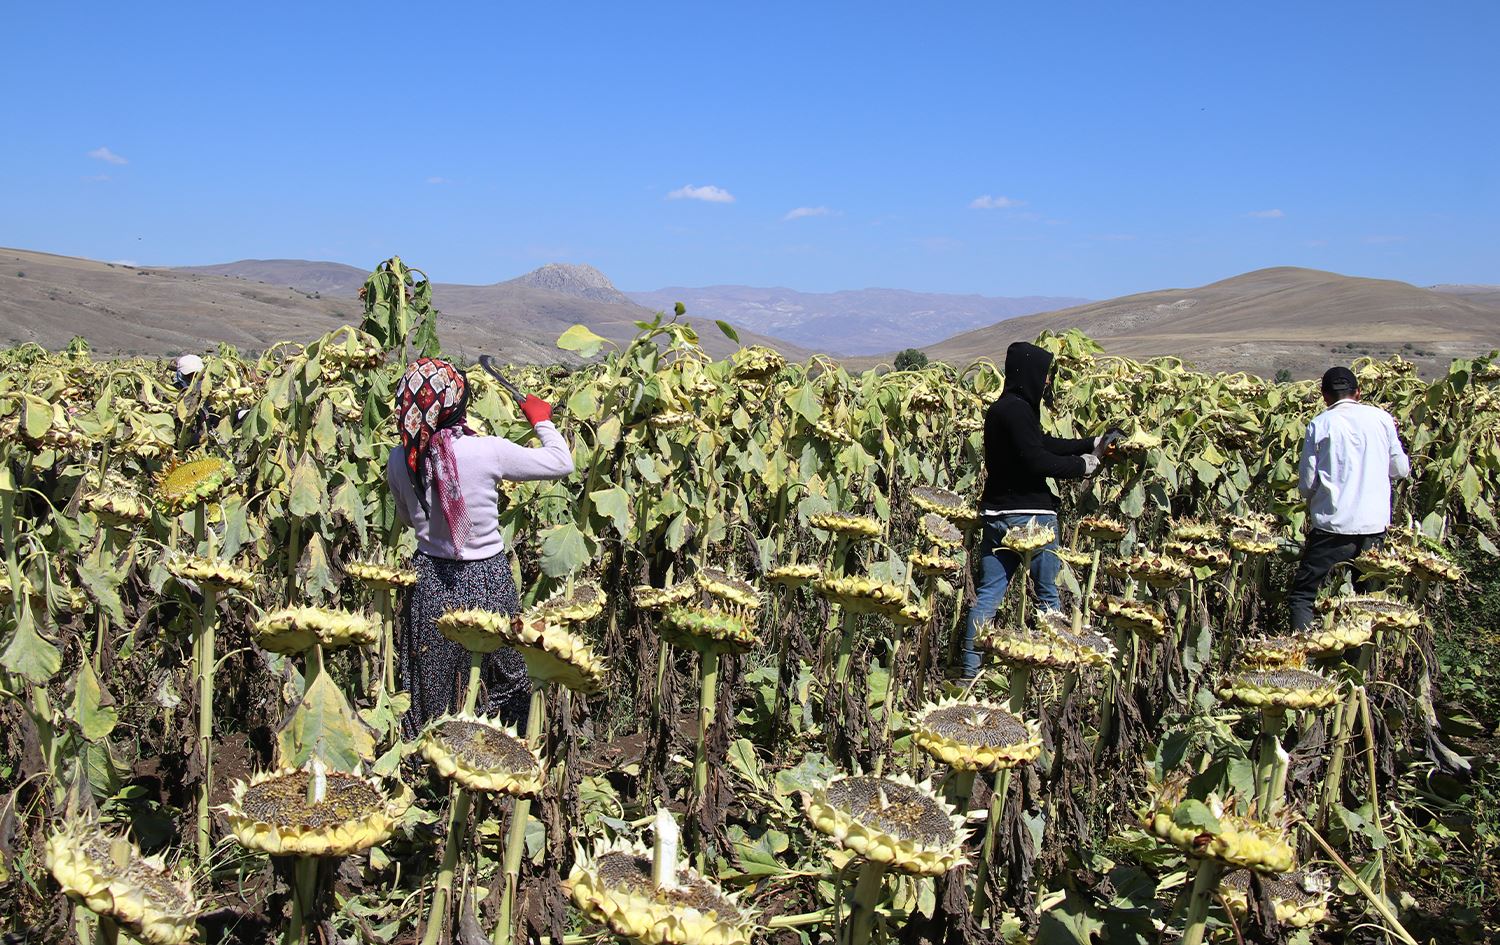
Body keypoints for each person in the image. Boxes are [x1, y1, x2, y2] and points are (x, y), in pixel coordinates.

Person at [386, 357, 574, 737]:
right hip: (487, 577)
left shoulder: (400, 459)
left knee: (432, 680)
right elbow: (561, 463)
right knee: (506, 674)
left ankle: (432, 773)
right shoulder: (487, 450)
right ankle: (503, 759)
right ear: (458, 403)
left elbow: (407, 518)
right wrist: (542, 421)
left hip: (430, 580)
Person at [958, 341, 1116, 679]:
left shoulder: (1004, 409)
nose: (1047, 382)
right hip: (1032, 518)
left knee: (987, 597)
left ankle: (969, 674)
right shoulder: (1018, 412)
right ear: (1029, 374)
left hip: (997, 517)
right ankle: (1055, 675)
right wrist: (1083, 467)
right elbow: (1036, 459)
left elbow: (1041, 443)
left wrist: (1090, 443)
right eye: (1044, 375)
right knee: (1048, 599)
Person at [1287, 366, 1410, 630]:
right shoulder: (1382, 419)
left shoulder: (1320, 424)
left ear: (1324, 396)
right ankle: (1356, 665)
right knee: (1363, 602)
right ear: (1359, 392)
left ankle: (1302, 660)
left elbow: (1307, 484)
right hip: (1373, 528)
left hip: (1331, 526)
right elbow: (1400, 470)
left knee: (1304, 595)